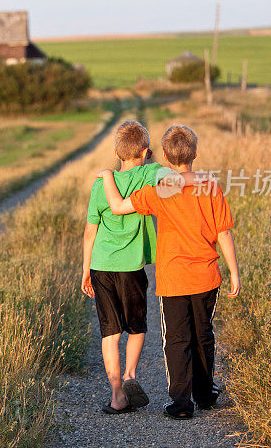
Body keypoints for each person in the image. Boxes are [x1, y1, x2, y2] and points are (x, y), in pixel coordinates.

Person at [100, 124, 240, 420]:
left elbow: (116, 207)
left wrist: (107, 176)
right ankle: (205, 395)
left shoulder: (157, 191)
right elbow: (224, 233)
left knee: (176, 340)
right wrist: (234, 273)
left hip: (173, 280)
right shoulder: (210, 185)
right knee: (203, 335)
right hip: (206, 278)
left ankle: (180, 405)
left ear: (163, 156)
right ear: (196, 154)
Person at [81, 120, 173, 415]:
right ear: (145, 151)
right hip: (131, 266)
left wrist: (85, 271)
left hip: (101, 265)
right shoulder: (149, 174)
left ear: (117, 152)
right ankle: (132, 374)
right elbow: (178, 174)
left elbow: (89, 232)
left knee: (110, 331)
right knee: (136, 325)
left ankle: (117, 395)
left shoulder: (100, 185)